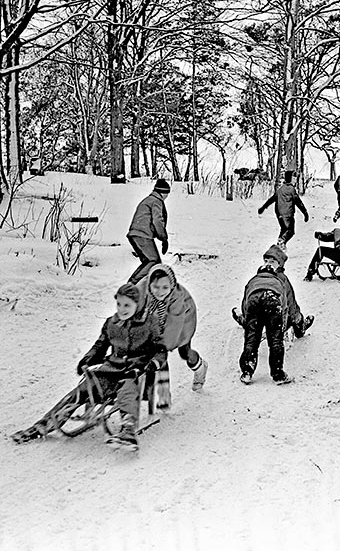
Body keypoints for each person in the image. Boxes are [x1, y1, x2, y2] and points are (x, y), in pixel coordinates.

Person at [11, 284, 166, 451]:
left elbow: (161, 349)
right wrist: (88, 359)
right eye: (119, 304)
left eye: (127, 305)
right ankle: (42, 426)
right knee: (80, 391)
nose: (122, 309)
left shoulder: (149, 323)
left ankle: (127, 431)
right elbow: (100, 346)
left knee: (127, 392)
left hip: (135, 373)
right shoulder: (112, 324)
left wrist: (152, 365)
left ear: (138, 304)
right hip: (109, 371)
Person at [136, 264, 207, 402]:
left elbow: (173, 329)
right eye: (155, 287)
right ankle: (163, 396)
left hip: (184, 318)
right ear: (148, 283)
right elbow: (133, 309)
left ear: (171, 286)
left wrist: (159, 349)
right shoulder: (141, 289)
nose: (160, 292)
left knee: (182, 352)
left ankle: (200, 367)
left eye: (165, 288)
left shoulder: (178, 299)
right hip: (154, 317)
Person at [232, 245, 314, 338]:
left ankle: (244, 320)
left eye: (272, 262)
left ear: (280, 264)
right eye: (266, 261)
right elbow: (291, 304)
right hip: (275, 318)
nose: (268, 264)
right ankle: (300, 327)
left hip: (266, 317)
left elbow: (290, 302)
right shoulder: (278, 279)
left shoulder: (268, 278)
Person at [238, 249, 292, 385]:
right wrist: (282, 326)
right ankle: (277, 373)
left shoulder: (253, 280)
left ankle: (247, 371)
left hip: (253, 301)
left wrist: (247, 321)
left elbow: (245, 303)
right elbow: (284, 306)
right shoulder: (278, 281)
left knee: (252, 339)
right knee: (275, 340)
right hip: (272, 299)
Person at [127, 179, 171, 285]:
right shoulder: (156, 201)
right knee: (154, 262)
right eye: (167, 194)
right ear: (163, 193)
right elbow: (157, 220)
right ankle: (131, 285)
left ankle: (138, 288)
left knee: (148, 262)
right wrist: (164, 239)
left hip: (136, 234)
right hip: (142, 235)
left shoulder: (149, 200)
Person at [258, 171, 309, 250]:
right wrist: (305, 213)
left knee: (284, 230)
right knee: (290, 231)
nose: (295, 180)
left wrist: (263, 207)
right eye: (294, 178)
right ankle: (282, 242)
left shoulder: (280, 189)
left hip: (279, 214)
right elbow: (298, 202)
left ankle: (280, 247)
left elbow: (272, 199)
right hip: (287, 214)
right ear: (291, 179)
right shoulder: (291, 189)